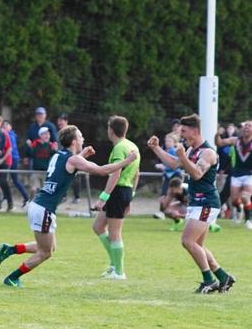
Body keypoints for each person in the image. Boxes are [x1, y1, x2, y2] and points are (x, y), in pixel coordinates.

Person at [0, 125, 137, 287]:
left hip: (40, 206)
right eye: (81, 136)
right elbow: (102, 171)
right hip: (44, 209)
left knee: (49, 247)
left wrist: (82, 155)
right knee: (45, 252)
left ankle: (10, 249)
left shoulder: (58, 155)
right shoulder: (74, 159)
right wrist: (127, 161)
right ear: (74, 141)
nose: (83, 139)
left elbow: (66, 168)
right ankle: (13, 277)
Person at [148, 114, 235, 294]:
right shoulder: (191, 150)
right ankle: (223, 277)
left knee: (187, 241)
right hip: (197, 202)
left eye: (184, 132)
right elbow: (174, 164)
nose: (182, 135)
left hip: (207, 202)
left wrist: (183, 156)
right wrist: (156, 148)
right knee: (198, 246)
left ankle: (208, 280)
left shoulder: (208, 152)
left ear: (195, 131)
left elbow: (196, 174)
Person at [91, 116, 140, 280]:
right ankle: (114, 264)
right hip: (124, 191)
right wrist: (131, 195)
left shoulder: (119, 148)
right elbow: (137, 173)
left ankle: (119, 271)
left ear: (111, 130)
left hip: (117, 191)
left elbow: (115, 173)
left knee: (114, 233)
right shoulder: (132, 146)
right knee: (98, 226)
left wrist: (103, 197)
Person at [215, 120, 252, 229]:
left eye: (249, 126)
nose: (247, 128)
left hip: (249, 174)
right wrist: (217, 133)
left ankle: (248, 220)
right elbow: (219, 143)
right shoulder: (235, 140)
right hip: (236, 174)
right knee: (235, 200)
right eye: (245, 126)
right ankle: (239, 209)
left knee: (245, 197)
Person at [4, 120, 29, 207]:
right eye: (4, 126)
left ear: (10, 127)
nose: (5, 127)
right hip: (10, 158)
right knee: (5, 179)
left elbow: (9, 148)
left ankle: (26, 197)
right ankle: (5, 196)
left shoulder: (11, 135)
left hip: (13, 159)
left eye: (7, 125)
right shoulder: (8, 135)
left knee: (14, 180)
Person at [57, 113, 80, 203]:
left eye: (61, 120)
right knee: (63, 178)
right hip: (63, 158)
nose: (59, 122)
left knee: (75, 179)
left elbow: (78, 145)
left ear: (66, 121)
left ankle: (77, 197)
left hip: (72, 158)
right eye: (59, 120)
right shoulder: (58, 133)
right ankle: (64, 196)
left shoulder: (72, 132)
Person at [28, 127, 55, 198]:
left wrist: (55, 150)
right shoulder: (35, 143)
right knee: (33, 189)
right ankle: (31, 202)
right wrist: (29, 147)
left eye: (48, 134)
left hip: (46, 171)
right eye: (45, 134)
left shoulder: (50, 145)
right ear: (40, 135)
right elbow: (30, 154)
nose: (47, 136)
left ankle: (43, 206)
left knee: (45, 191)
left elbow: (54, 156)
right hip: (36, 170)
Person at [0, 116, 13, 212]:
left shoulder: (3, 133)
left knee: (3, 181)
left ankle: (10, 202)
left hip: (5, 161)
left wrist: (2, 159)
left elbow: (9, 148)